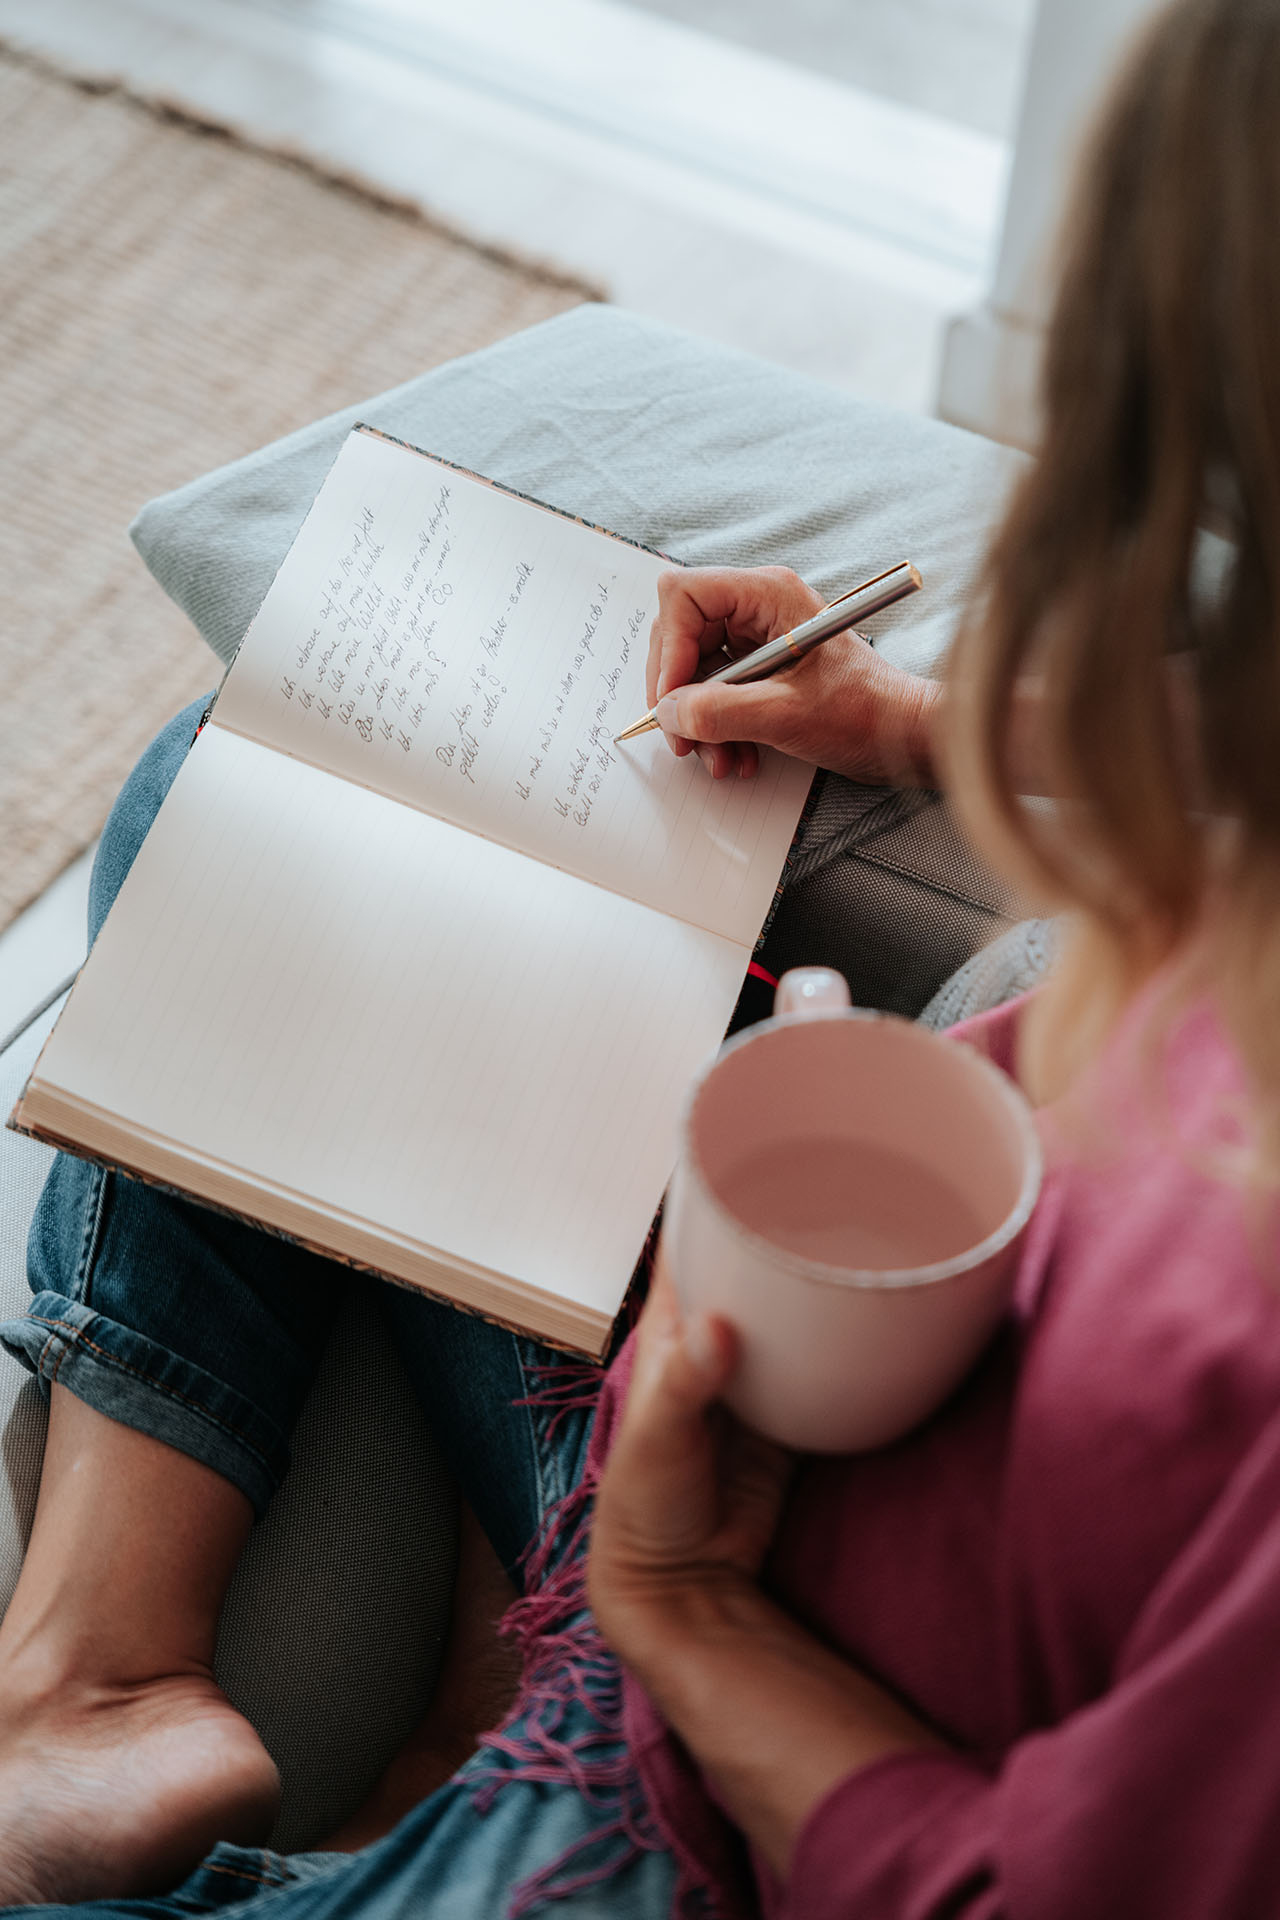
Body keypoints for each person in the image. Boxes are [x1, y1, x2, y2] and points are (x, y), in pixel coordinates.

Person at [3, 0, 1280, 1910]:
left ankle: (442, 1745)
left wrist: (680, 1618)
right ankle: (94, 1681)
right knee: (275, 784)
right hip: (707, 1444)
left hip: (708, 1794)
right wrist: (901, 717)